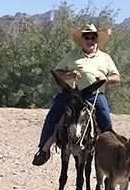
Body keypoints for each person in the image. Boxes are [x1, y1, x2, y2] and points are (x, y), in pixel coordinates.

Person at [32, 23, 120, 166]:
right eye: (87, 37)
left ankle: (110, 154)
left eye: (93, 38)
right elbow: (57, 73)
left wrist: (105, 80)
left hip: (94, 93)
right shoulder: (71, 56)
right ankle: (44, 149)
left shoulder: (105, 58)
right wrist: (69, 74)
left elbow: (117, 77)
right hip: (72, 94)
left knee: (105, 119)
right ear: (82, 40)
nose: (90, 40)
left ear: (97, 40)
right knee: (53, 114)